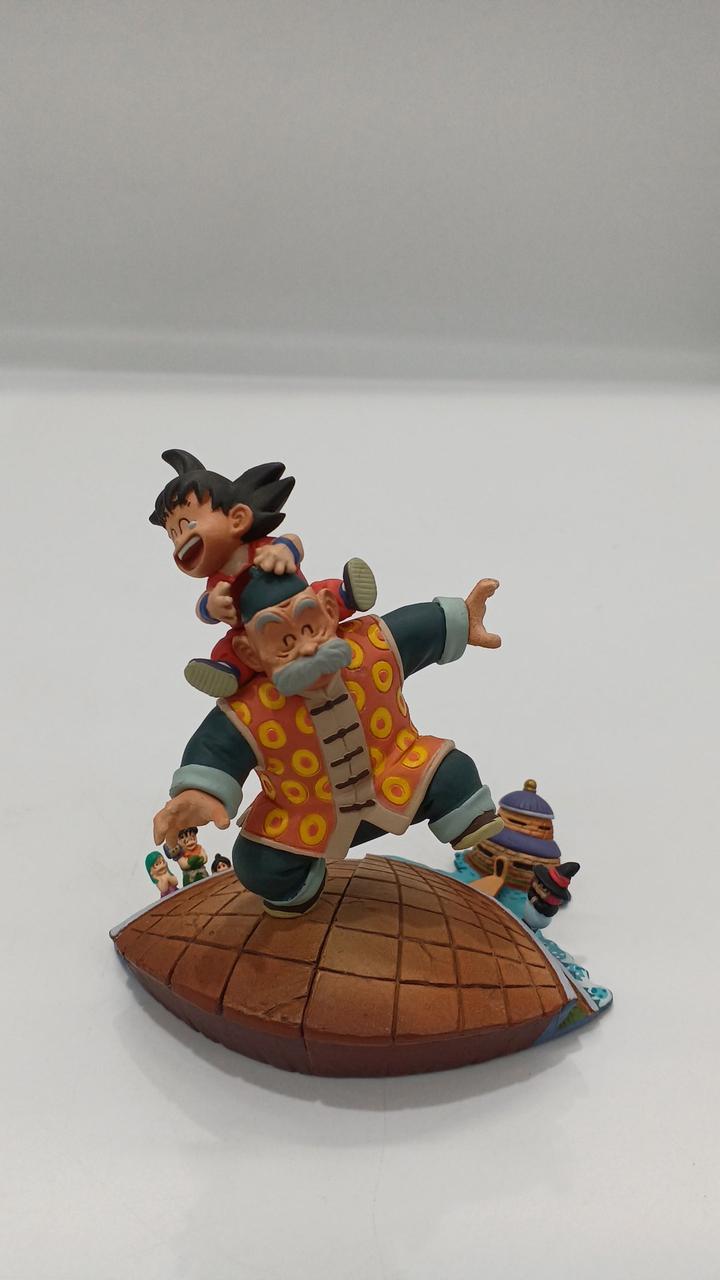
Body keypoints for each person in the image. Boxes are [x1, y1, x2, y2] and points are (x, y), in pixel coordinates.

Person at [154, 568, 504, 918]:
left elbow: (416, 631)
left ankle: (468, 821)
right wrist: (200, 791)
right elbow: (217, 746)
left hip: (400, 776)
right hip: (305, 817)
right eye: (284, 643)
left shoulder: (371, 645)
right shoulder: (252, 709)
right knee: (257, 864)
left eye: (310, 628)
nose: (308, 649)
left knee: (454, 773)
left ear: (328, 609)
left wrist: (461, 619)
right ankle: (299, 891)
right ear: (249, 653)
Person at [149, 449, 376, 699]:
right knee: (234, 646)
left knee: (324, 592)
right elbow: (204, 607)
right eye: (173, 535)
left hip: (303, 603)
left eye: (188, 525)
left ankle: (349, 593)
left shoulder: (263, 546)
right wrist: (212, 606)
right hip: (258, 633)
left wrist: (284, 550)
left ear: (238, 519)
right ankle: (228, 671)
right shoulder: (218, 581)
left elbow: (293, 541)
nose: (181, 541)